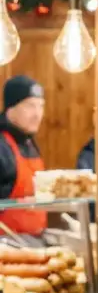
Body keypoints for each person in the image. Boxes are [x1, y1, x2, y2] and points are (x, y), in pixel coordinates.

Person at [0, 75, 46, 236]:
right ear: (10, 109)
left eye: (41, 106)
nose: (37, 114)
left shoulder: (29, 142)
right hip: (6, 247)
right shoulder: (2, 145)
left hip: (34, 240)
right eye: (30, 106)